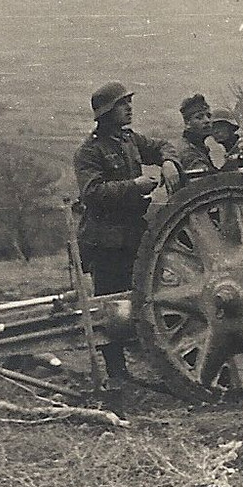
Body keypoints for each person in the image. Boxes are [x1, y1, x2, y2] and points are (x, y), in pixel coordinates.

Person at [74, 81, 180, 381]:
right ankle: (117, 372)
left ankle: (147, 361)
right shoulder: (90, 152)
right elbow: (92, 193)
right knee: (110, 306)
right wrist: (133, 186)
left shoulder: (130, 140)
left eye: (129, 103)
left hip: (134, 234)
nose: (129, 108)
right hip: (105, 240)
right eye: (123, 104)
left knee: (142, 298)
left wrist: (169, 161)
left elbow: (160, 146)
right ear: (107, 114)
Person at [173, 93, 215, 174]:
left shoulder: (197, 146)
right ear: (187, 123)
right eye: (199, 117)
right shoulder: (188, 152)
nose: (207, 121)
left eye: (208, 116)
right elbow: (207, 181)